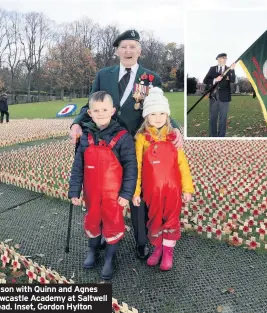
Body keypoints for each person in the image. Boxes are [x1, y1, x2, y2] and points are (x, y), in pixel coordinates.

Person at [69, 29, 183, 259]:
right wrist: (76, 123)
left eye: (133, 46)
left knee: (138, 192)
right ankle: (103, 234)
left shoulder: (151, 78)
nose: (128, 51)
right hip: (108, 141)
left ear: (140, 50)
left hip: (139, 143)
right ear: (117, 51)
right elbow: (90, 104)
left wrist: (176, 126)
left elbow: (159, 108)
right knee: (104, 190)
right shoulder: (104, 75)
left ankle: (142, 241)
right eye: (123, 47)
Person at [68, 91, 137, 280]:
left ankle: (110, 257)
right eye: (96, 110)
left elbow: (131, 167)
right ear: (89, 113)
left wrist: (126, 193)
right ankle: (93, 250)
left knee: (113, 223)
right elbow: (78, 167)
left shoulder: (122, 137)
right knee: (92, 220)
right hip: (91, 194)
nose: (100, 113)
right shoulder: (85, 136)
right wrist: (74, 190)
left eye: (104, 109)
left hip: (114, 195)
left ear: (113, 111)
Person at [132, 87, 194, 271]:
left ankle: (168, 253)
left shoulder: (174, 137)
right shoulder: (142, 139)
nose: (157, 117)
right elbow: (137, 166)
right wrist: (136, 192)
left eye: (161, 113)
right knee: (155, 220)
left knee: (171, 220)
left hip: (173, 191)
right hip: (152, 193)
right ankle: (158, 249)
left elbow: (183, 164)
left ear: (167, 115)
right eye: (152, 113)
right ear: (146, 116)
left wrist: (187, 189)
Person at [203, 53, 236, 137]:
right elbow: (205, 80)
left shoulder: (228, 69)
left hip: (225, 97)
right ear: (218, 59)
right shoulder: (212, 69)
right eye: (222, 58)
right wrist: (214, 80)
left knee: (223, 119)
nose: (225, 59)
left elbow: (232, 80)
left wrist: (232, 70)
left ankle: (221, 137)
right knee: (213, 118)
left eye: (225, 58)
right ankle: (212, 137)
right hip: (213, 97)